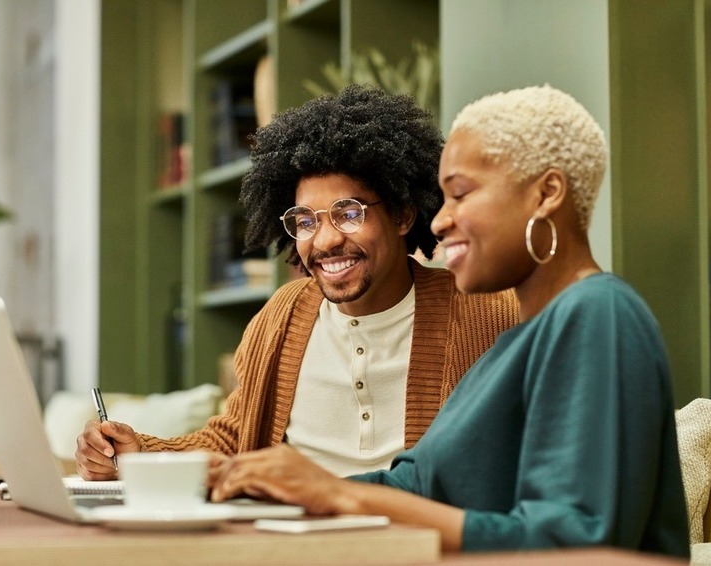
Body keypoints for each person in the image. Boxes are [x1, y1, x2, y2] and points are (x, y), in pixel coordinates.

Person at [208, 85, 691, 558]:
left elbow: (578, 544)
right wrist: (266, 483)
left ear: (546, 194)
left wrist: (343, 497)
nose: (439, 221)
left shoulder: (597, 312)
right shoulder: (510, 350)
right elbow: (410, 486)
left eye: (461, 194)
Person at [75, 85, 519, 480]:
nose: (324, 241)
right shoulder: (282, 316)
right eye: (305, 221)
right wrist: (138, 454)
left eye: (349, 213)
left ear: (403, 215)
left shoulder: (487, 313)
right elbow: (235, 438)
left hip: (416, 541)